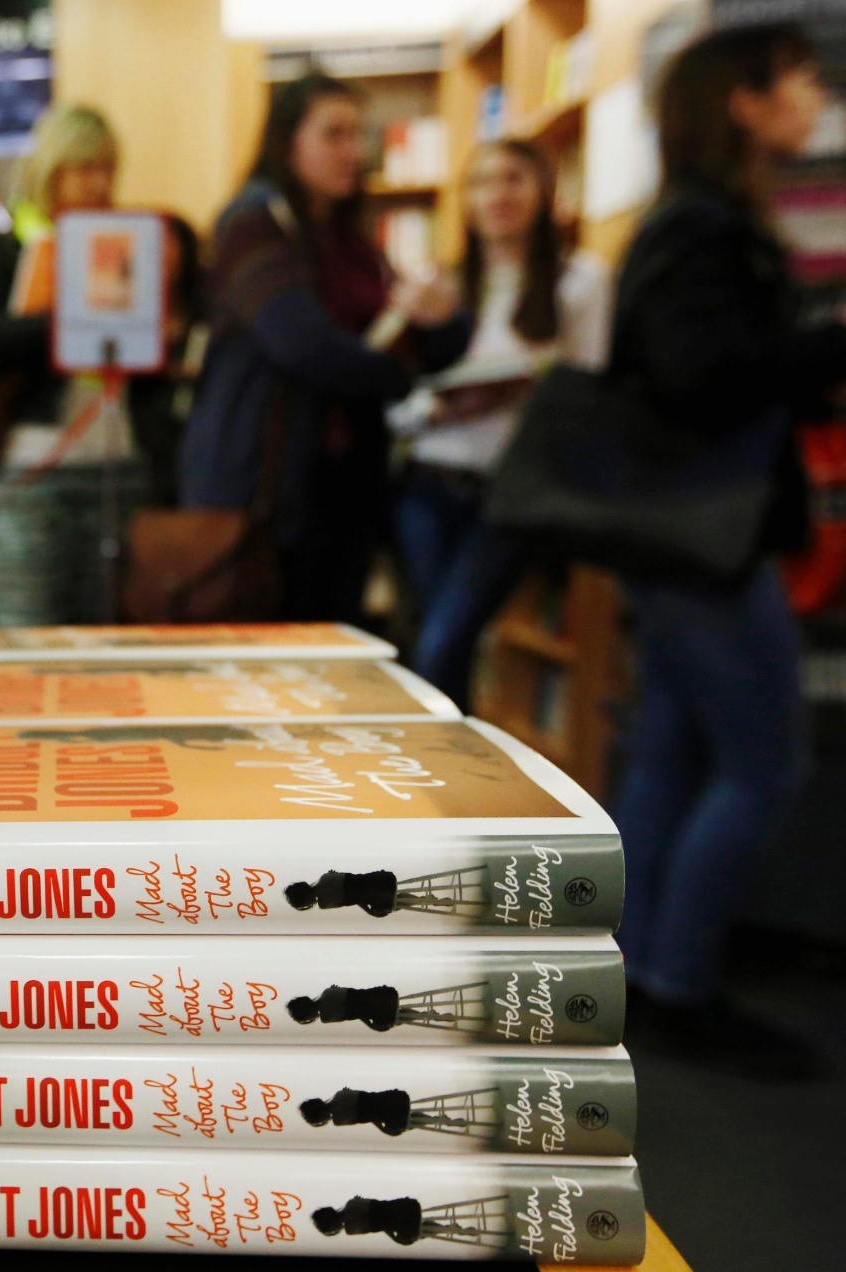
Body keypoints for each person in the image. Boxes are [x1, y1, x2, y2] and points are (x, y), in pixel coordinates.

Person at [609, 22, 845, 1079]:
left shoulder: (694, 223)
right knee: (762, 761)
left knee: (674, 751)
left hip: (686, 531)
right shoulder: (700, 229)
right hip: (706, 535)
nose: (817, 98)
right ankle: (678, 982)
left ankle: (641, 970)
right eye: (799, 80)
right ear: (742, 103)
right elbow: (701, 374)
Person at [180, 74, 469, 624]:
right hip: (262, 489)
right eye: (334, 134)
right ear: (288, 141)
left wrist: (442, 320)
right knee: (263, 656)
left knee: (331, 651)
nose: (353, 152)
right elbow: (304, 346)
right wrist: (402, 371)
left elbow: (419, 344)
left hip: (341, 488)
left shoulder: (350, 239)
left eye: (359, 135)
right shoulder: (253, 223)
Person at [399, 140, 612, 707]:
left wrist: (524, 390)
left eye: (514, 178)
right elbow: (393, 385)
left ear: (544, 191)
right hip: (426, 479)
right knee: (432, 643)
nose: (498, 195)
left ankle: (448, 785)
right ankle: (449, 781)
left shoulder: (580, 280)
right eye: (483, 182)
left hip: (509, 492)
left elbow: (589, 393)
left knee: (445, 639)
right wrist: (432, 407)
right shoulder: (438, 282)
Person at [0, 104, 147, 626]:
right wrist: (72, 318)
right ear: (51, 170)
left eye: (107, 168)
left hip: (115, 465)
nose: (98, 183)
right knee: (29, 650)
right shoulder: (7, 246)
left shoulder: (125, 246)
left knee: (105, 651)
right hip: (30, 470)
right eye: (84, 168)